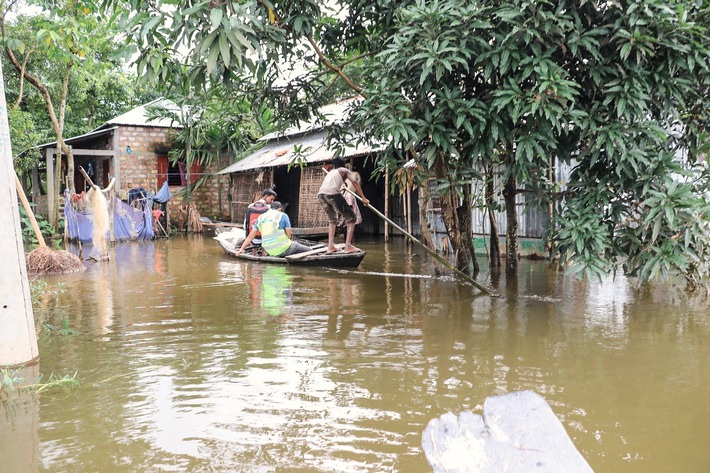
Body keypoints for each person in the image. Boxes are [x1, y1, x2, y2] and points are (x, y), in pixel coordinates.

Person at [318, 158, 369, 254]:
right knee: (352, 218)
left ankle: (330, 246)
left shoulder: (331, 172)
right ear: (344, 164)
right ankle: (348, 246)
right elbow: (354, 182)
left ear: (334, 165)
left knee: (333, 219)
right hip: (332, 194)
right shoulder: (344, 170)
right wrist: (363, 198)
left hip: (321, 195)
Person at [236, 201, 312, 257]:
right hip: (282, 249)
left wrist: (242, 249)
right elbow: (289, 234)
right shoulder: (283, 215)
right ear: (280, 209)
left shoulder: (261, 217)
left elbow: (250, 236)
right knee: (307, 250)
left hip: (268, 250)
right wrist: (288, 239)